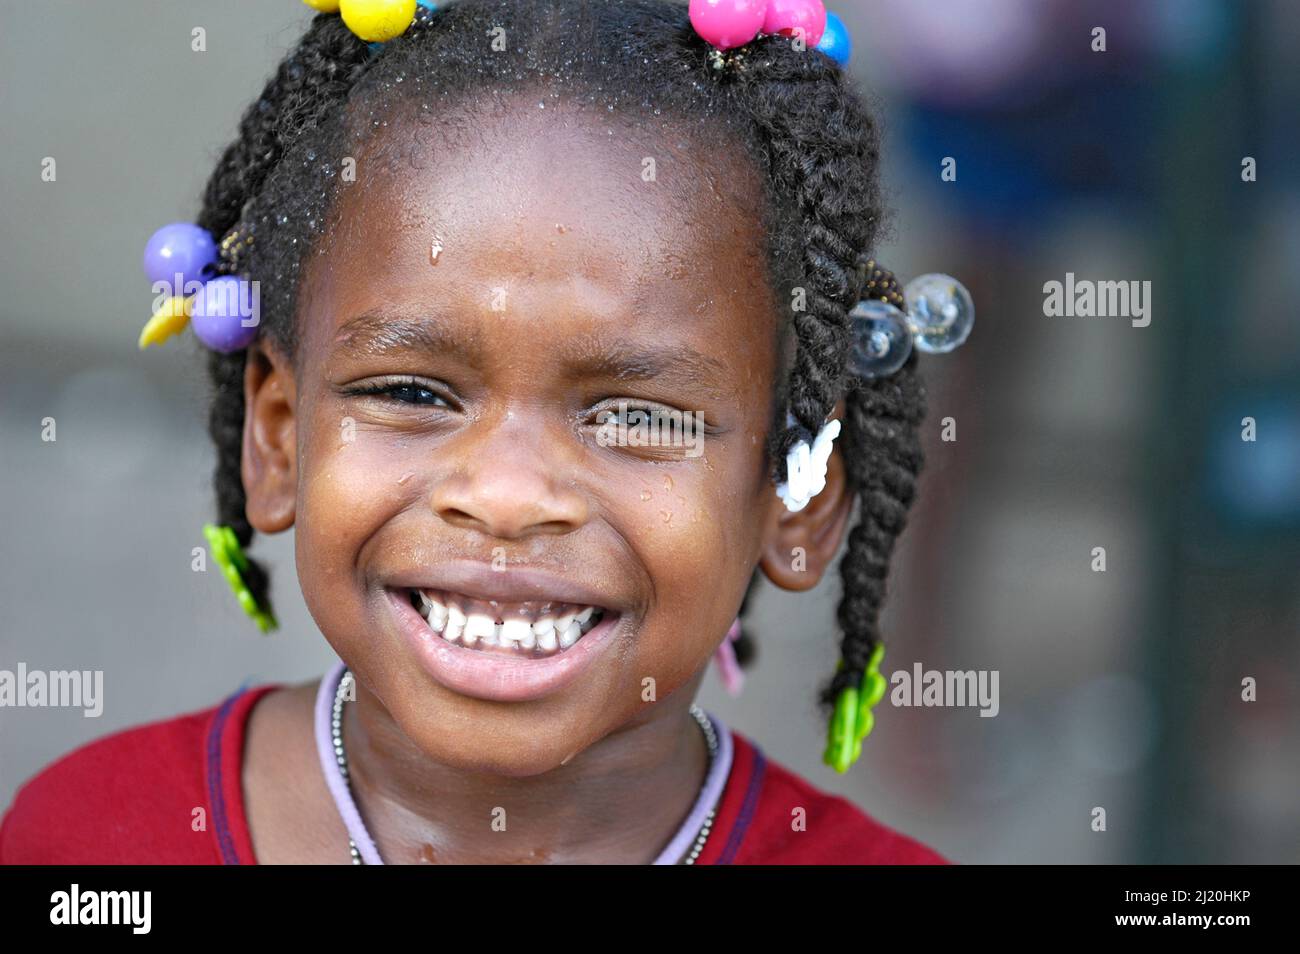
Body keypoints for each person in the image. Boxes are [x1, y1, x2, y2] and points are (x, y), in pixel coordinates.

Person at [1, 0, 956, 864]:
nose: (504, 497)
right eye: (413, 394)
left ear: (801, 494)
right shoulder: (91, 839)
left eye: (636, 415)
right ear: (281, 438)